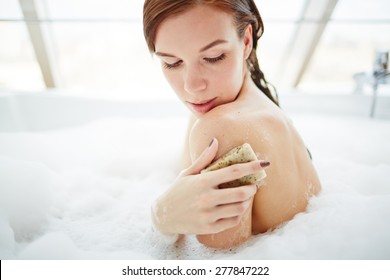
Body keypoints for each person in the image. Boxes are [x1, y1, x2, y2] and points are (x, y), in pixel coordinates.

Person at [143, 0, 321, 249]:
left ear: (246, 41)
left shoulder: (220, 127)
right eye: (172, 63)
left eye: (214, 57)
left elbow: (221, 262)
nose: (191, 86)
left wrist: (160, 217)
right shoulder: (245, 102)